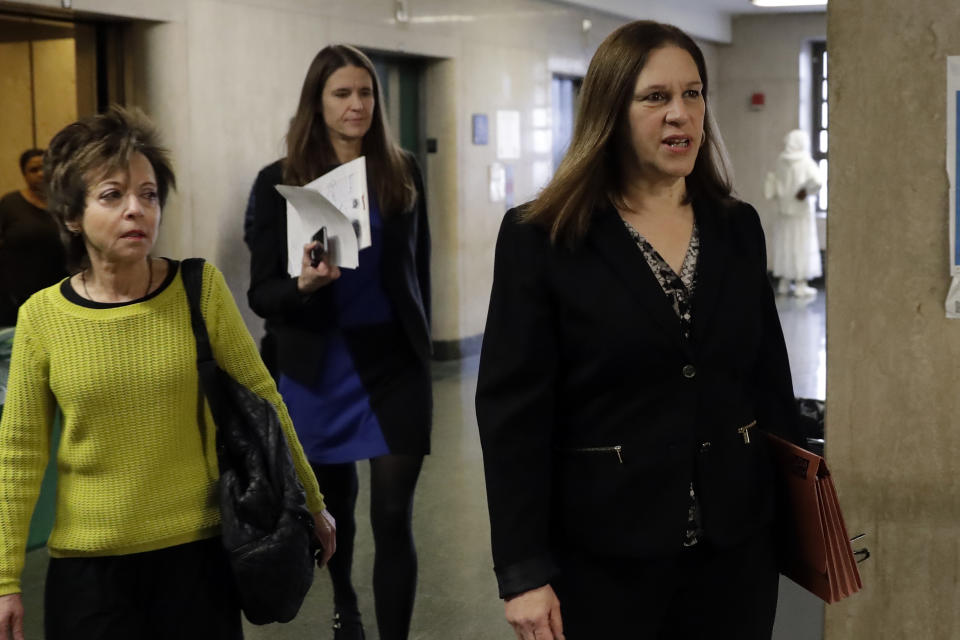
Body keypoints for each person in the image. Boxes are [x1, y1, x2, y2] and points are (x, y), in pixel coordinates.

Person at [476, 21, 803, 639]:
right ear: (611, 111)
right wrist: (522, 570)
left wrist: (796, 522)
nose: (679, 114)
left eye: (693, 94)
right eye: (655, 98)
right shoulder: (543, 236)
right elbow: (512, 413)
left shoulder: (737, 228)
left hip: (736, 549)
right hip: (605, 553)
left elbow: (769, 381)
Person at [0, 106, 335, 640]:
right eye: (112, 195)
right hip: (89, 572)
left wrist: (311, 503)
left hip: (198, 558)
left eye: (149, 194)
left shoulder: (199, 289)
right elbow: (19, 453)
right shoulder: (42, 317)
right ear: (70, 215)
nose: (137, 209)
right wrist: (4, 579)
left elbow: (263, 399)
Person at [245, 44, 431, 640]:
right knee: (337, 510)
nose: (357, 105)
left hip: (393, 365)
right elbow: (261, 293)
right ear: (317, 103)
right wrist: (301, 285)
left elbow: (415, 271)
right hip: (317, 366)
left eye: (365, 93)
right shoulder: (279, 181)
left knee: (395, 516)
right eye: (342, 94)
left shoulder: (400, 171)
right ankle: (345, 601)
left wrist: (422, 340)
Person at [0, 148, 68, 326]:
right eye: (33, 170)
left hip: (58, 293)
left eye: (45, 167)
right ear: (24, 174)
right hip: (15, 296)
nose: (40, 173)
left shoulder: (65, 205)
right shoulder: (11, 204)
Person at [763, 129, 823, 297]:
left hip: (784, 211)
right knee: (801, 245)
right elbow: (817, 181)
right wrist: (806, 190)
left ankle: (784, 282)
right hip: (801, 212)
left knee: (785, 245)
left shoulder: (781, 160)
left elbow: (775, 183)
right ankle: (801, 284)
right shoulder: (805, 161)